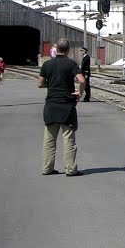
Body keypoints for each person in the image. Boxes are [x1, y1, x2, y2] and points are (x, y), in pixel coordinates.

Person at [37, 38, 87, 177]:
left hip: (51, 106)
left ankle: (47, 168)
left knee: (49, 140)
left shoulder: (47, 64)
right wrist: (80, 92)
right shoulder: (71, 64)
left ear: (56, 49)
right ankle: (71, 169)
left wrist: (52, 85)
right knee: (68, 139)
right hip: (67, 106)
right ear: (68, 50)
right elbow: (82, 80)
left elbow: (40, 84)